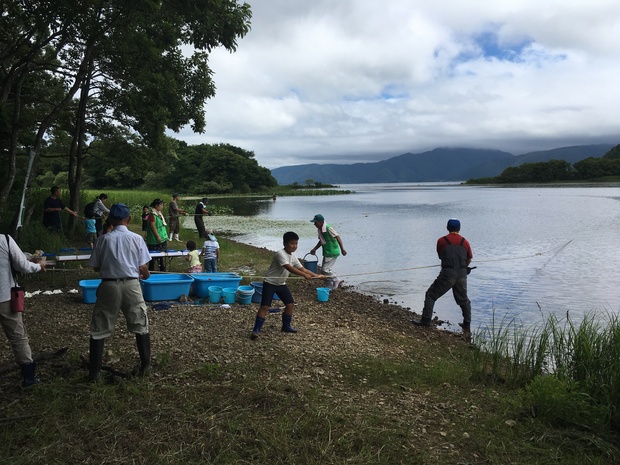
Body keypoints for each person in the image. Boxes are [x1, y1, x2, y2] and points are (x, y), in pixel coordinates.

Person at [87, 203, 152, 381]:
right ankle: (146, 365)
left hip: (108, 285)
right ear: (128, 219)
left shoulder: (102, 239)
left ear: (110, 221)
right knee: (140, 323)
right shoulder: (136, 238)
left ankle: (94, 373)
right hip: (131, 284)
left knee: (100, 327)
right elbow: (143, 267)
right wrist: (145, 274)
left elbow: (95, 268)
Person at [250, 231, 324, 339]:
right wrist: (304, 275)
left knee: (290, 304)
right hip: (270, 283)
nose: (294, 246)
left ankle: (286, 326)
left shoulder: (293, 257)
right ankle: (256, 330)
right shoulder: (280, 254)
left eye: (296, 244)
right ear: (285, 243)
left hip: (281, 284)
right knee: (265, 306)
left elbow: (302, 268)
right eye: (292, 243)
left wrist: (316, 275)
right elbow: (289, 268)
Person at [413, 219, 473, 335]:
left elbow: (441, 256)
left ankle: (425, 320)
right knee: (463, 300)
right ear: (459, 229)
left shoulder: (441, 241)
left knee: (431, 294)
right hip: (462, 274)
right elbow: (469, 258)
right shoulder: (465, 242)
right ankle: (467, 325)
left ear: (447, 228)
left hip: (447, 273)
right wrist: (464, 267)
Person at [1, 233, 46, 387]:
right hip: (5, 296)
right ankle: (28, 377)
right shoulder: (5, 240)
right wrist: (38, 266)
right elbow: (23, 265)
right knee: (18, 336)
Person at [310, 214, 347, 290]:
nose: (314, 224)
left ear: (321, 222)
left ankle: (336, 279)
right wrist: (314, 249)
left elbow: (337, 237)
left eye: (315, 222)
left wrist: (342, 249)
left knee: (324, 270)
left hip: (332, 252)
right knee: (324, 271)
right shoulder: (320, 230)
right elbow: (321, 241)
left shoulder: (328, 228)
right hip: (327, 252)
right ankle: (329, 285)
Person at [146, 199, 168, 272]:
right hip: (155, 239)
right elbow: (152, 225)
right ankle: (151, 271)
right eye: (161, 205)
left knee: (161, 257)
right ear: (156, 206)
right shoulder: (152, 215)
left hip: (162, 238)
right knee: (153, 257)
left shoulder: (159, 213)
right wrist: (157, 236)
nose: (162, 206)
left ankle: (162, 270)